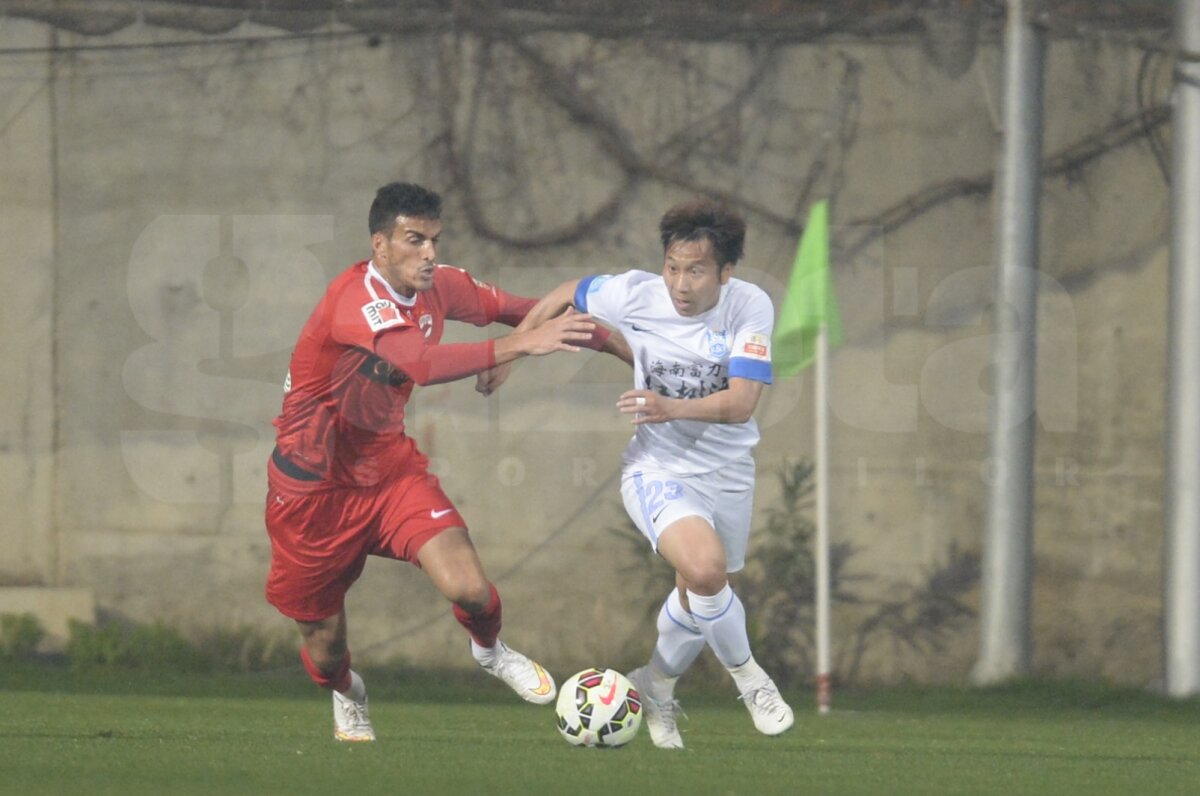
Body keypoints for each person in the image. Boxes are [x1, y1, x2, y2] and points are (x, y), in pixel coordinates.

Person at [264, 182, 621, 742]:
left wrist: (639, 354)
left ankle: (490, 652)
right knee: (325, 646)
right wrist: (521, 348)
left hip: (388, 473)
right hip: (312, 494)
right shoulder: (355, 299)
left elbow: (532, 313)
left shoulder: (441, 285)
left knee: (470, 589)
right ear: (380, 245)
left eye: (434, 239)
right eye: (415, 240)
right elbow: (422, 364)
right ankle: (347, 693)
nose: (430, 252)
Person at [519, 198, 794, 748]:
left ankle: (656, 687)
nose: (680, 283)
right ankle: (752, 680)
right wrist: (513, 349)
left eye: (696, 270)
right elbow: (566, 291)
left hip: (729, 470)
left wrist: (671, 406)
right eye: (673, 266)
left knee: (697, 593)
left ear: (726, 272)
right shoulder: (634, 293)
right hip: (656, 468)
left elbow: (742, 404)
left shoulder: (749, 306)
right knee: (707, 569)